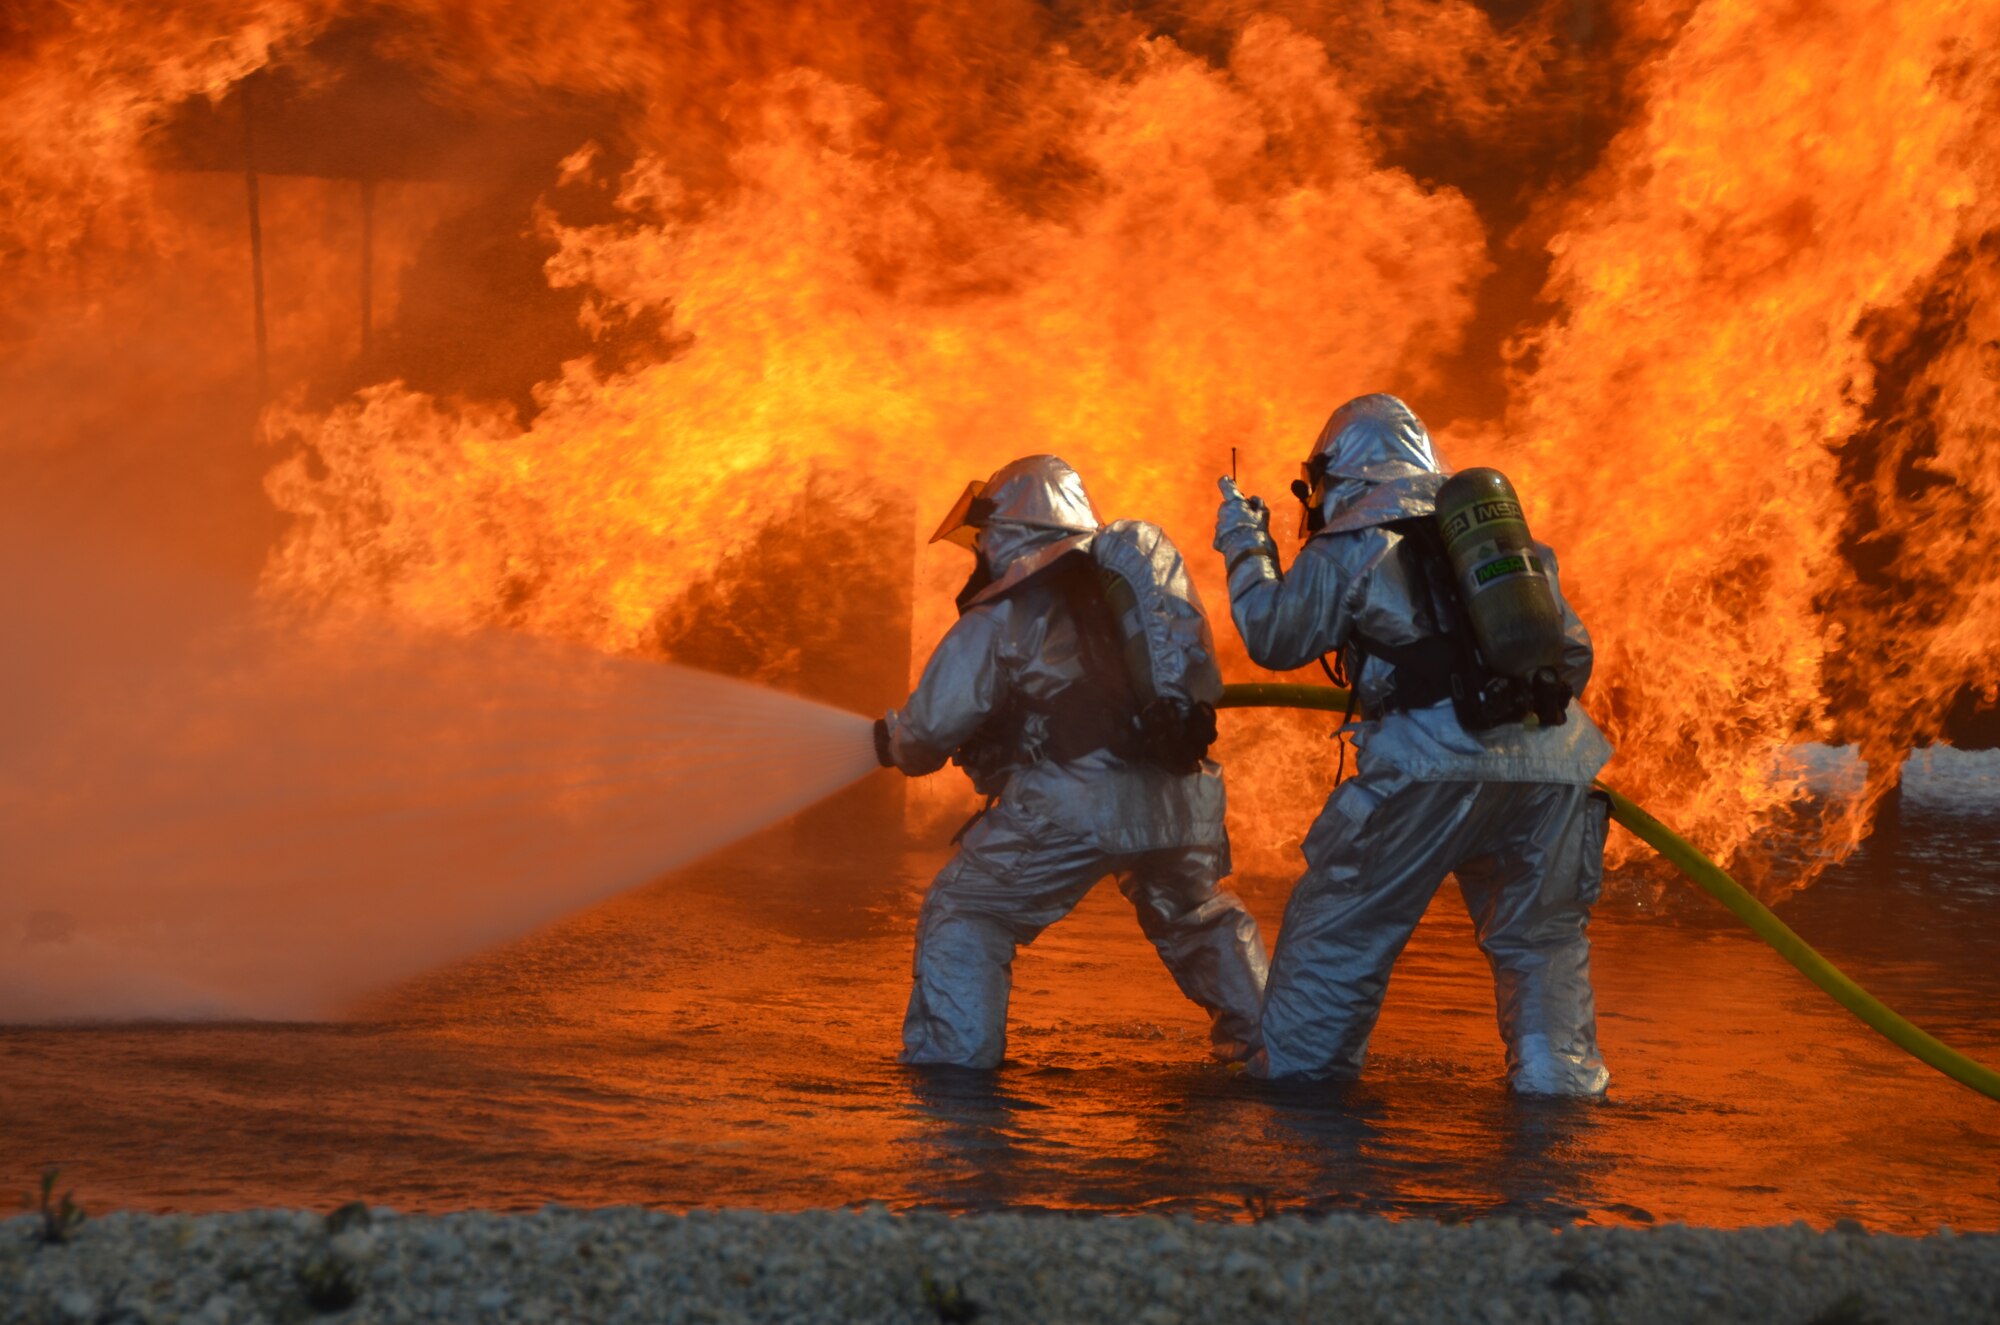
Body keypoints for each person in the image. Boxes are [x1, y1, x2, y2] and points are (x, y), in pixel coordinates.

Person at [1212, 394, 1615, 1094]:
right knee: (1542, 946)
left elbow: (1276, 637)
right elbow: (1573, 654)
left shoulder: (1355, 543)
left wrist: (1246, 544)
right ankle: (1560, 1114)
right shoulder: (1507, 548)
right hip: (1555, 766)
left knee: (1339, 935)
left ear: (1342, 473)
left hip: (1426, 765)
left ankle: (1300, 1106)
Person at [875, 455, 1268, 1069]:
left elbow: (928, 730)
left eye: (986, 537)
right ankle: (1276, 1054)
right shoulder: (1135, 595)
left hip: (1076, 800)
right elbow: (1198, 688)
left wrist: (893, 743)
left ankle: (954, 1071)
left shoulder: (1005, 614)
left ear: (1010, 531)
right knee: (1198, 915)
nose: (981, 551)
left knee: (968, 908)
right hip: (1182, 798)